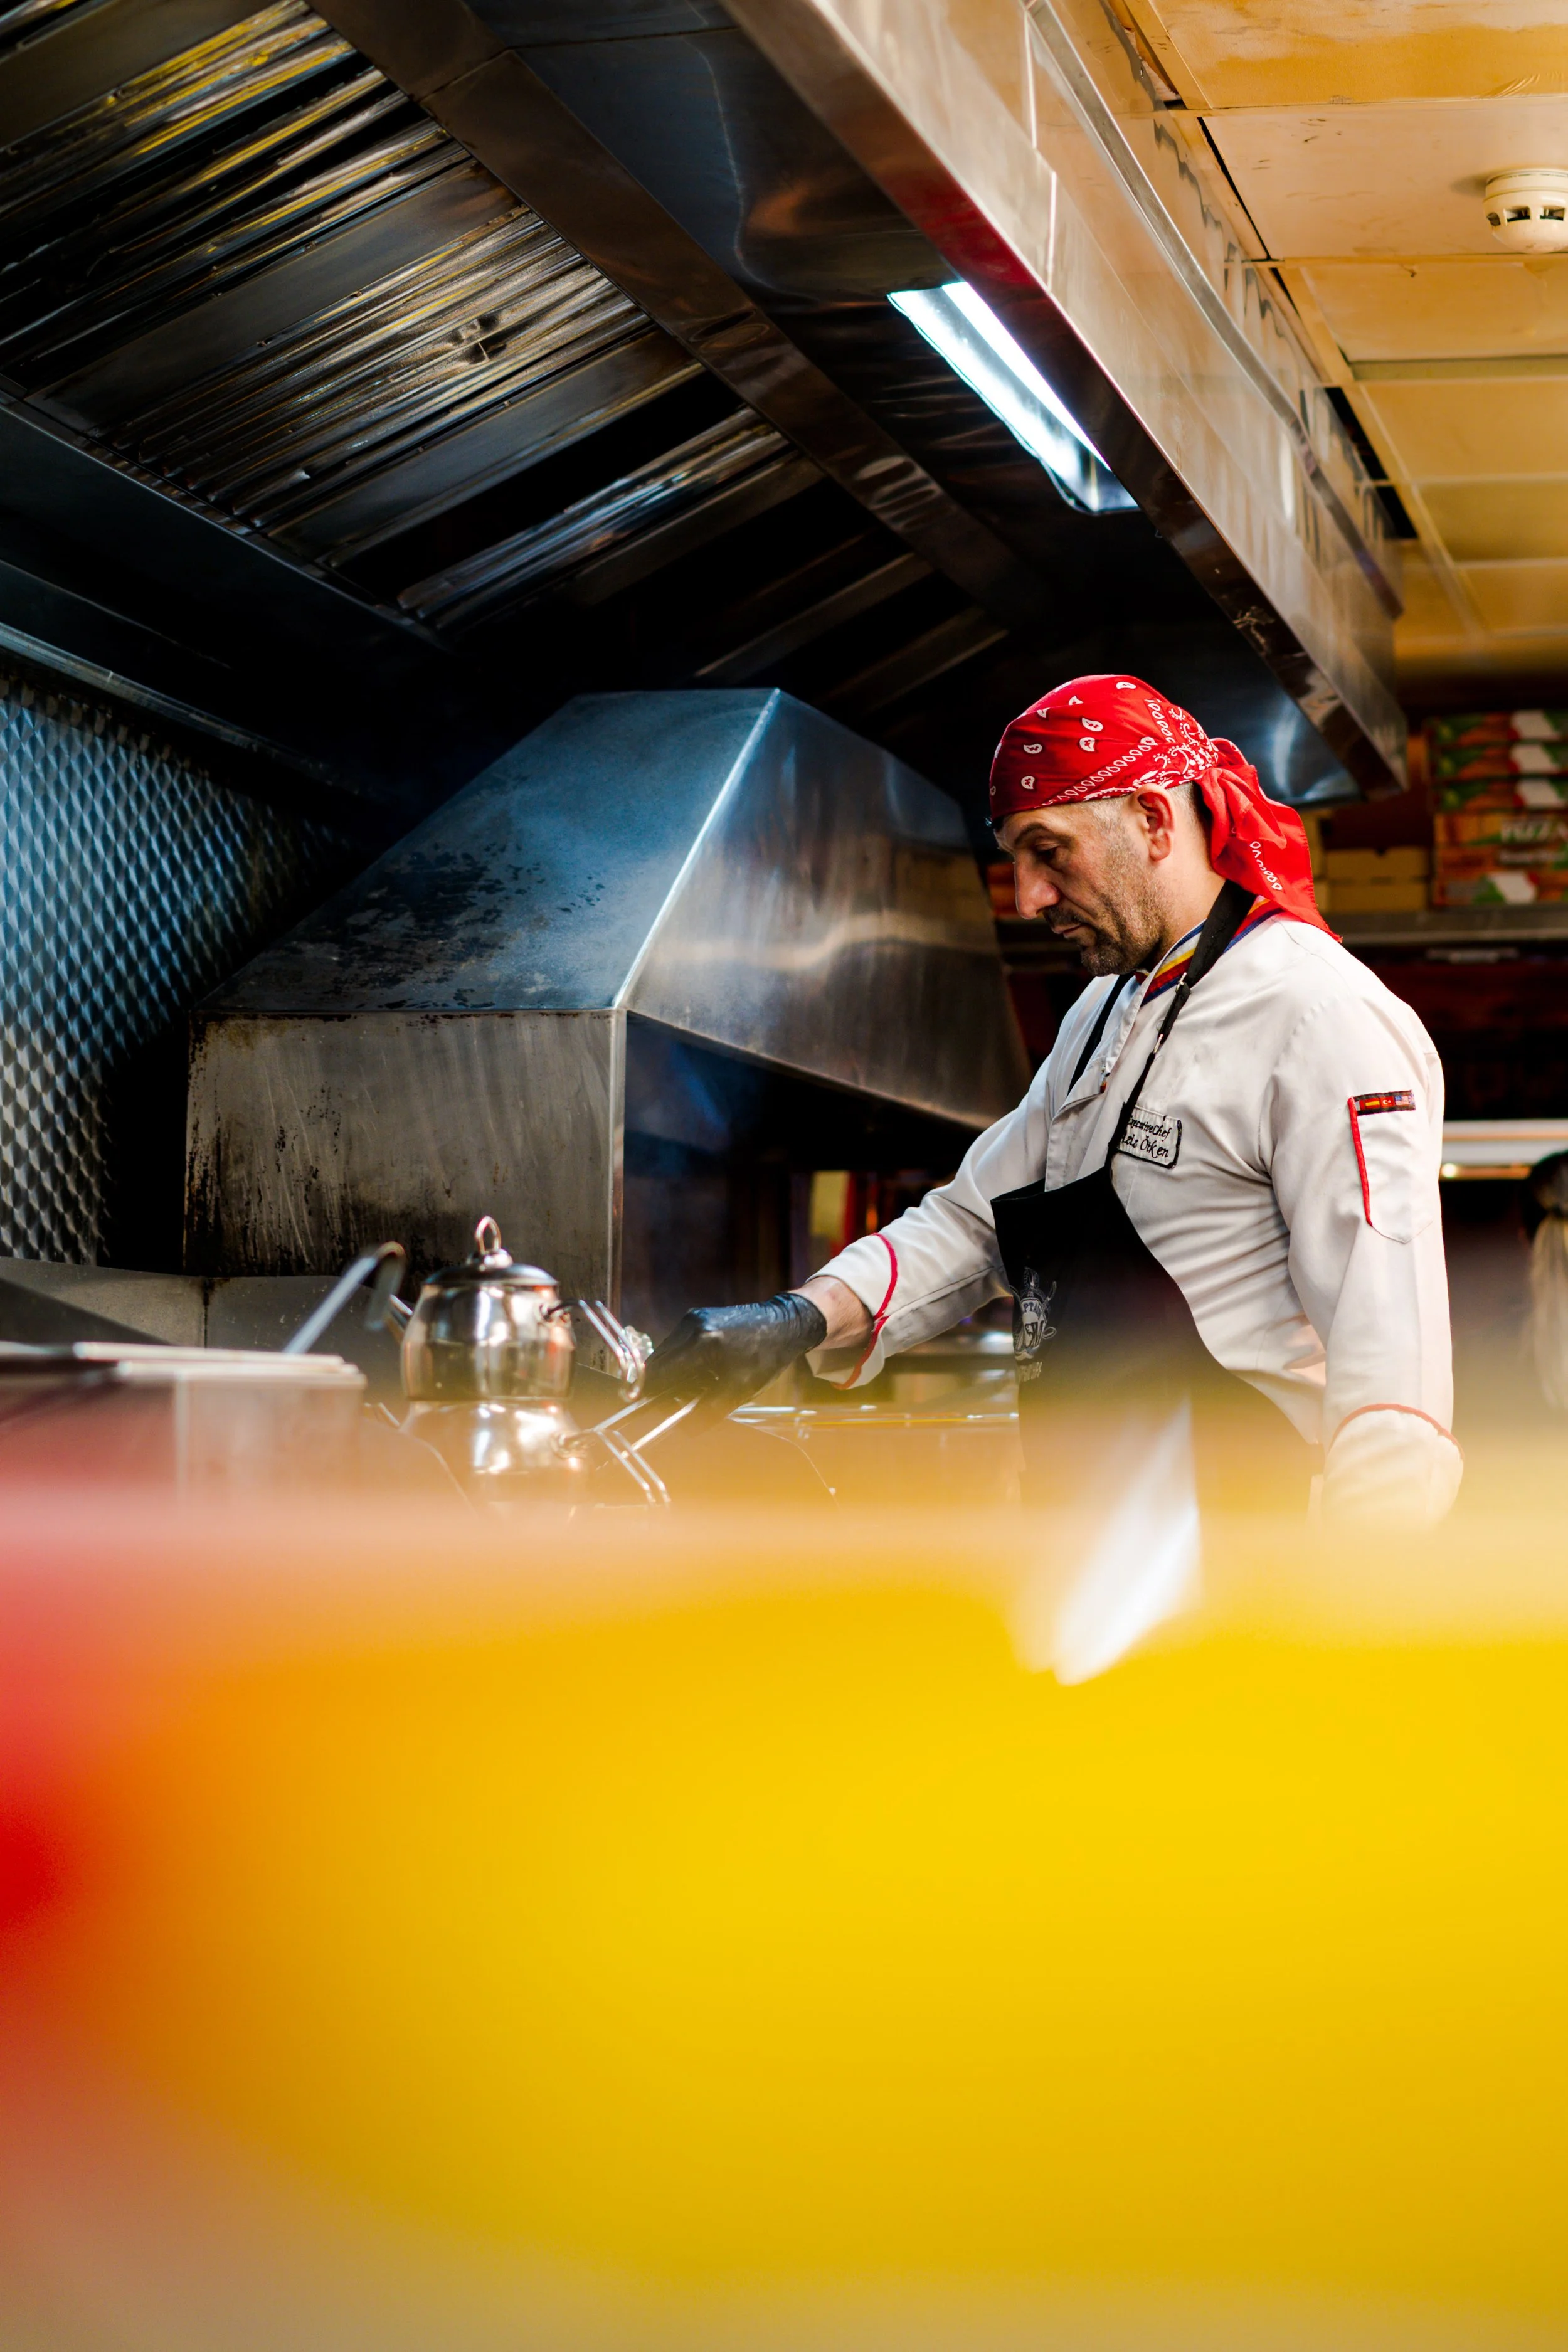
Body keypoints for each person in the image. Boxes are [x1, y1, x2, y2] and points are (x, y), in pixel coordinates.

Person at [645, 674, 1461, 1523]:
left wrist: (1354, 1615)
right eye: (1017, 861)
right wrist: (800, 1318)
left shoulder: (1323, 1017)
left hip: (1254, 1555)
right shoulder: (1104, 1008)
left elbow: (1391, 1387)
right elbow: (973, 1221)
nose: (1029, 895)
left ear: (1152, 819)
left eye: (1049, 850)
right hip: (1104, 1547)